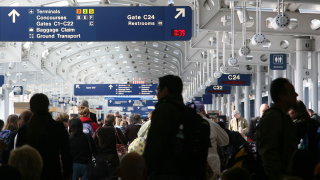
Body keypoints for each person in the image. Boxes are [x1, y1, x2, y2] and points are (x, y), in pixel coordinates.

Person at [143, 75, 209, 179]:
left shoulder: (163, 109)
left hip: (165, 173)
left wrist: (145, 171)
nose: (157, 94)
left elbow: (154, 144)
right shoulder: (187, 113)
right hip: (188, 173)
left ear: (165, 90)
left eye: (158, 90)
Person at [15, 93, 73, 180]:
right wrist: (66, 175)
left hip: (30, 174)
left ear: (31, 108)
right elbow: (66, 155)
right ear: (47, 107)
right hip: (52, 173)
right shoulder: (58, 128)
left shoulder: (24, 130)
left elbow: (19, 156)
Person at [257, 78, 298, 180]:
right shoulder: (273, 117)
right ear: (282, 96)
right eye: (292, 92)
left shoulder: (282, 116)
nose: (296, 95)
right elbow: (268, 151)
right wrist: (277, 177)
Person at [193, 101, 229, 179]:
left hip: (191, 166)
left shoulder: (184, 124)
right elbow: (225, 141)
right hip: (212, 166)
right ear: (204, 111)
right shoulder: (212, 124)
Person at [93, 114, 128, 180]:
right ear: (113, 122)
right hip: (113, 157)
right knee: (113, 176)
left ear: (105, 122)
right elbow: (125, 142)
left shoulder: (98, 130)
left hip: (101, 157)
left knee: (102, 176)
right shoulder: (116, 130)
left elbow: (93, 142)